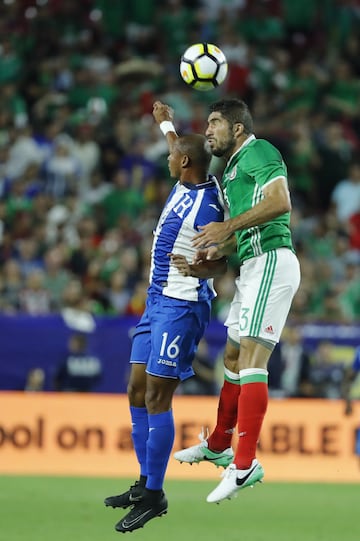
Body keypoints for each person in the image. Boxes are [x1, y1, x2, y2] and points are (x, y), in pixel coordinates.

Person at [104, 101, 226, 532]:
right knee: (135, 388)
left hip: (182, 306)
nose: (168, 158)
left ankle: (155, 494)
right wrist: (166, 124)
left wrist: (199, 268)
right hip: (156, 301)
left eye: (173, 157)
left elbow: (223, 263)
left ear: (186, 164)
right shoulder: (184, 179)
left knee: (158, 396)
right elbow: (178, 143)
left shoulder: (209, 206)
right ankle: (143, 483)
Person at [173, 98, 301, 503]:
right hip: (250, 268)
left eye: (214, 123)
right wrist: (209, 258)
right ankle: (219, 444)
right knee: (231, 360)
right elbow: (235, 238)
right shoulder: (230, 173)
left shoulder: (259, 151)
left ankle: (244, 465)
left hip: (271, 263)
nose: (208, 130)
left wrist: (227, 226)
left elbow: (281, 203)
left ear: (238, 129)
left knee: (250, 361)